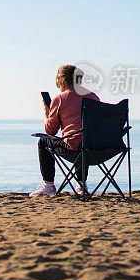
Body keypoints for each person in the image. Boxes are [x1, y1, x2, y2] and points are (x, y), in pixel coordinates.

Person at [30, 65, 99, 197]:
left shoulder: (60, 98)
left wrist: (47, 112)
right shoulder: (93, 97)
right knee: (84, 139)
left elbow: (50, 131)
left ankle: (48, 185)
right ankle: (81, 185)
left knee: (43, 141)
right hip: (96, 148)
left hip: (73, 149)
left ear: (62, 80)